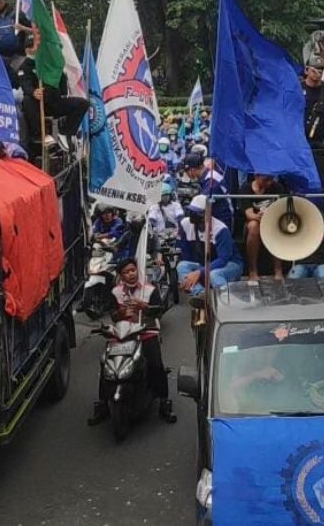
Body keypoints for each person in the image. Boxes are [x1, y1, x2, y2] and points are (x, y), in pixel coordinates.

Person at [87, 259, 176, 425]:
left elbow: (158, 311)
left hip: (146, 331)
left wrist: (143, 307)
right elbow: (112, 315)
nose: (131, 274)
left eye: (133, 270)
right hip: (123, 333)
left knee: (156, 364)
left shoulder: (149, 290)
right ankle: (103, 404)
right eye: (127, 272)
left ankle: (164, 402)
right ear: (121, 276)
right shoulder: (115, 292)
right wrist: (120, 313)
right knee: (106, 363)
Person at [176, 195, 243, 297]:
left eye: (197, 213)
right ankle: (201, 295)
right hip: (205, 265)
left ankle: (224, 301)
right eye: (191, 212)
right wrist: (189, 277)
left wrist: (200, 272)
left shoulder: (220, 229)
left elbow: (223, 259)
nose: (193, 215)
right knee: (182, 266)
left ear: (207, 214)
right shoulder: (185, 224)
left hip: (230, 264)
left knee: (214, 274)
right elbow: (186, 254)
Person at [239, 174, 286, 280]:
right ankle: (252, 271)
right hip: (254, 221)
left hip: (272, 220)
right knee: (253, 226)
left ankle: (278, 270)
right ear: (256, 176)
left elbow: (281, 209)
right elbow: (249, 214)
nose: (269, 183)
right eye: (265, 180)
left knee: (276, 227)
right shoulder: (246, 188)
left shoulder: (277, 187)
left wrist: (269, 217)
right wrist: (259, 217)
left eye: (271, 180)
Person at [181, 153, 233, 230]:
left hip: (222, 221)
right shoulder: (206, 177)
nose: (187, 174)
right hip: (214, 218)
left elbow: (201, 205)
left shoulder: (211, 180)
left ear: (192, 170)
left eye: (187, 171)